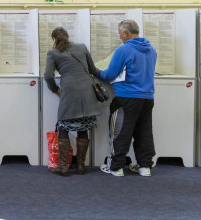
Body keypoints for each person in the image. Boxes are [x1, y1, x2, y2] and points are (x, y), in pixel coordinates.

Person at [97, 20, 157, 177]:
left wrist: (96, 71)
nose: (119, 36)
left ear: (125, 33)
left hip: (125, 98)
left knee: (120, 132)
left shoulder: (123, 50)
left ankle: (116, 168)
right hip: (147, 98)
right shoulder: (151, 50)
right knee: (144, 132)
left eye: (119, 33)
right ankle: (145, 167)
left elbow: (109, 75)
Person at [44, 27, 100, 176]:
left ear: (54, 39)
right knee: (83, 126)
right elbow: (93, 70)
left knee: (63, 126)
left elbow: (48, 76)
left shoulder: (53, 53)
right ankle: (81, 166)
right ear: (68, 36)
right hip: (87, 91)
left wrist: (55, 90)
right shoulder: (81, 47)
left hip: (69, 91)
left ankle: (64, 167)